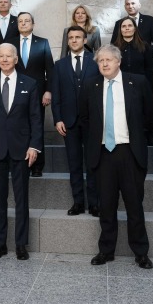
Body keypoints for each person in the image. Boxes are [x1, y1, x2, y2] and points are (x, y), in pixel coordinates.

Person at [81, 45, 153, 270]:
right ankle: (106, 251)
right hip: (103, 153)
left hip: (129, 152)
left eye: (108, 60)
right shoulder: (90, 85)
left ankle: (141, 252)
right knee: (107, 205)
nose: (104, 64)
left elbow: (148, 116)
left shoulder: (138, 82)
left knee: (134, 205)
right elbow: (84, 119)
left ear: (118, 61)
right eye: (100, 61)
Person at [0, 43, 42, 261]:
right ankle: (0, 243)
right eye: (1, 56)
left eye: (9, 56)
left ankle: (21, 244)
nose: (5, 59)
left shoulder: (30, 84)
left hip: (22, 149)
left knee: (22, 198)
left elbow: (35, 118)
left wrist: (34, 146)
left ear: (16, 59)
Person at [52, 26, 100, 216]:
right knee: (74, 164)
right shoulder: (60, 65)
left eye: (78, 37)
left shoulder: (96, 62)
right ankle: (78, 203)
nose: (74, 40)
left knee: (92, 163)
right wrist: (58, 119)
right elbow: (56, 94)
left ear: (85, 40)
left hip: (92, 121)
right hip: (69, 122)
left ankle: (95, 203)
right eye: (71, 38)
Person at [6, 12, 54, 176]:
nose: (24, 23)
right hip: (15, 92)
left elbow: (50, 70)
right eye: (20, 21)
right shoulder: (10, 44)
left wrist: (48, 91)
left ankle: (37, 166)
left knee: (36, 126)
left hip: (38, 93)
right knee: (17, 126)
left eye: (27, 21)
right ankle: (19, 162)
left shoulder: (43, 43)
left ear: (33, 24)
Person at [113, 17, 153, 93]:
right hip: (120, 88)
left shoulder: (144, 46)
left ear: (135, 29)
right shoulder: (114, 48)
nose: (127, 28)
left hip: (141, 88)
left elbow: (151, 70)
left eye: (130, 25)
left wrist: (147, 89)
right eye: (124, 26)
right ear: (120, 30)